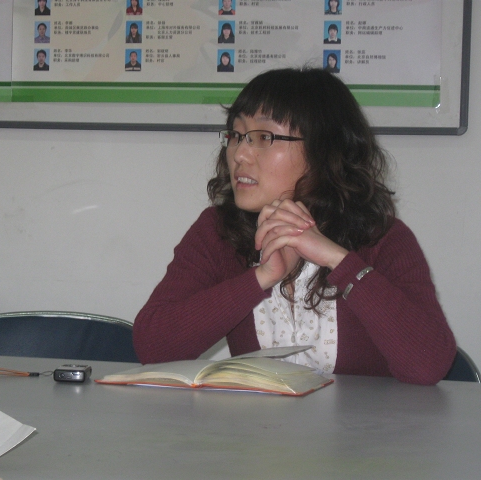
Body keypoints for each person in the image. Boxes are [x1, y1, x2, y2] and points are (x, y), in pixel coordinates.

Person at [132, 67, 456, 385]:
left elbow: (428, 366)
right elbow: (153, 347)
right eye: (235, 135)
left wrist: (339, 261)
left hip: (367, 423)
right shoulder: (218, 232)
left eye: (263, 137)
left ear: (322, 150)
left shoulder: (382, 238)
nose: (240, 154)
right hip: (257, 422)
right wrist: (261, 277)